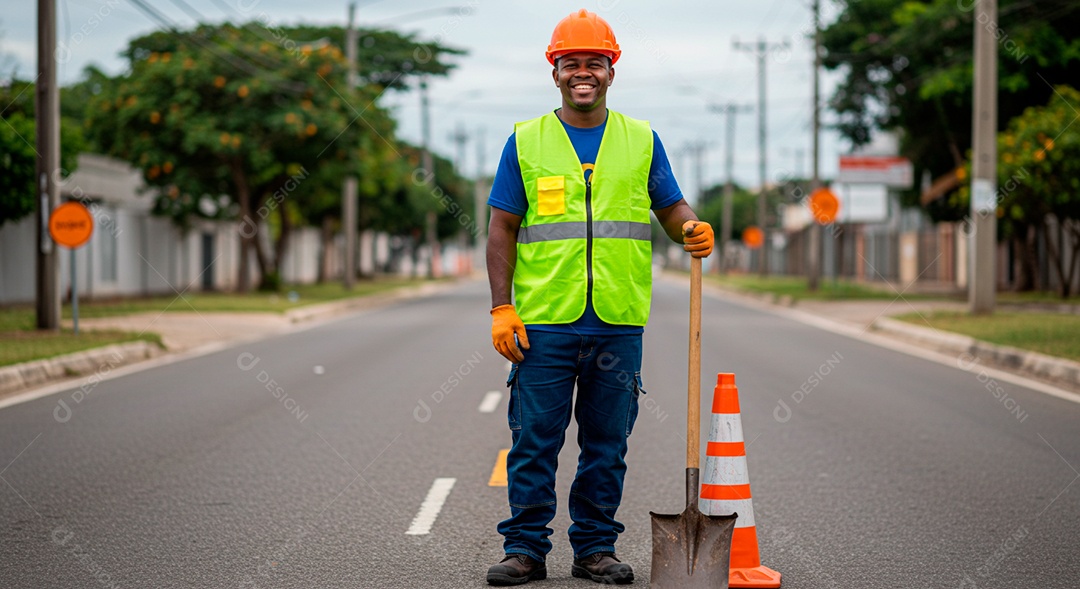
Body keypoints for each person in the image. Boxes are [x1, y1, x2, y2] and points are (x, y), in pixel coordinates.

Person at [484, 9, 714, 586]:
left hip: (617, 321)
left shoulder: (641, 140)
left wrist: (690, 226)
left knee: (607, 445)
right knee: (534, 441)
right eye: (571, 63)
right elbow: (501, 228)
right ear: (554, 71)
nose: (581, 72)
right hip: (544, 323)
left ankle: (594, 549)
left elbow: (670, 206)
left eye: (594, 63)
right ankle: (525, 550)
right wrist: (500, 306)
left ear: (612, 71)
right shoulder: (526, 140)